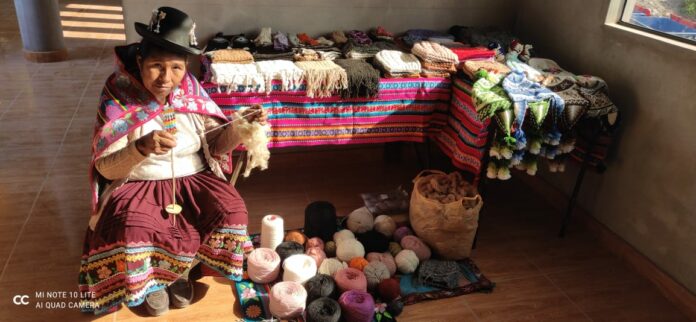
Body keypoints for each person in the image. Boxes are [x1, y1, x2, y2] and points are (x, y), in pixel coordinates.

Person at [78, 7, 267, 316]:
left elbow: (215, 145)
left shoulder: (190, 90)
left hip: (195, 176)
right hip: (138, 180)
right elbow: (104, 168)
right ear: (139, 62)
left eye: (177, 68)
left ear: (186, 66)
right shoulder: (118, 93)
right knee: (134, 225)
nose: (167, 78)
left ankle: (177, 273)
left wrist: (241, 127)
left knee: (231, 210)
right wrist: (139, 147)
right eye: (156, 66)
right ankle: (152, 282)